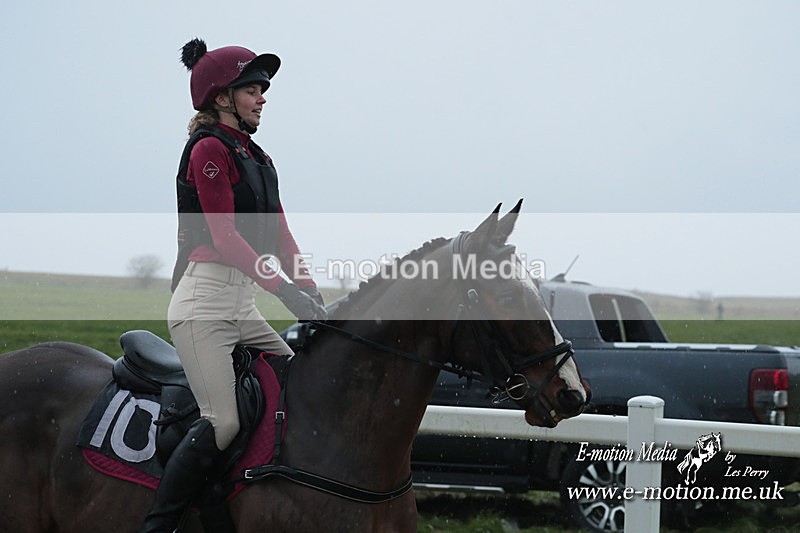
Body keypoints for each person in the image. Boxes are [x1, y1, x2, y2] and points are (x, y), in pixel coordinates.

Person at [138, 38, 327, 533]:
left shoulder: (260, 159)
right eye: (252, 89)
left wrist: (313, 290)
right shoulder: (208, 149)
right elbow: (224, 237)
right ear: (223, 98)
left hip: (241, 306)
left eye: (264, 88)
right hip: (203, 305)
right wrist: (287, 291)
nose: (263, 97)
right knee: (222, 421)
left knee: (299, 384)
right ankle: (160, 524)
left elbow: (281, 234)